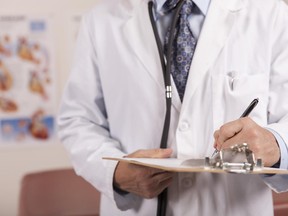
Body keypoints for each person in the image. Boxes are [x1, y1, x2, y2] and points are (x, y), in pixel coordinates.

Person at [57, 0, 288, 215]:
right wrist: (115, 172)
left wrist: (275, 144)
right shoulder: (100, 21)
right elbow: (77, 120)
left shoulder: (272, 14)